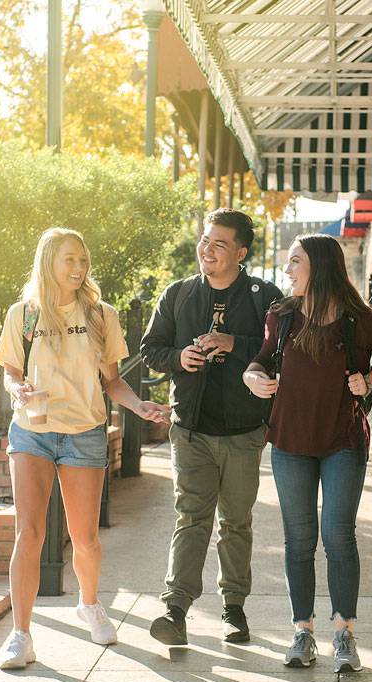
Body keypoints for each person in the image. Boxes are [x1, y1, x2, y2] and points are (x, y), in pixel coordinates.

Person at [0, 227, 169, 669]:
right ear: (49, 261)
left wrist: (138, 406)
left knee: (85, 538)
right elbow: (11, 371)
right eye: (69, 259)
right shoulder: (25, 314)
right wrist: (18, 389)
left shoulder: (98, 315)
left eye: (83, 260)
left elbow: (112, 380)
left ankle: (89, 605)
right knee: (28, 534)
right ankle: (21, 635)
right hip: (31, 432)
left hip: (85, 431)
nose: (78, 268)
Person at [243, 233, 372, 673]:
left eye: (296, 262)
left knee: (338, 536)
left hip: (342, 440)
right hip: (290, 440)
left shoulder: (356, 318)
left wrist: (368, 380)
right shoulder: (282, 316)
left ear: (320, 267)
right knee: (299, 540)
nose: (288, 270)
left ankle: (345, 634)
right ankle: (303, 632)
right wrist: (251, 378)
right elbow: (260, 359)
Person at [141, 208, 282, 645]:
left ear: (240, 252)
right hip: (191, 428)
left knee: (236, 522)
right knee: (191, 517)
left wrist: (233, 344)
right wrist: (178, 358)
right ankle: (175, 608)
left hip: (243, 431)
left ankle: (233, 609)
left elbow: (278, 350)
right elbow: (150, 349)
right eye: (205, 240)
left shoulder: (264, 297)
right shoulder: (179, 293)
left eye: (219, 243)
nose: (207, 249)